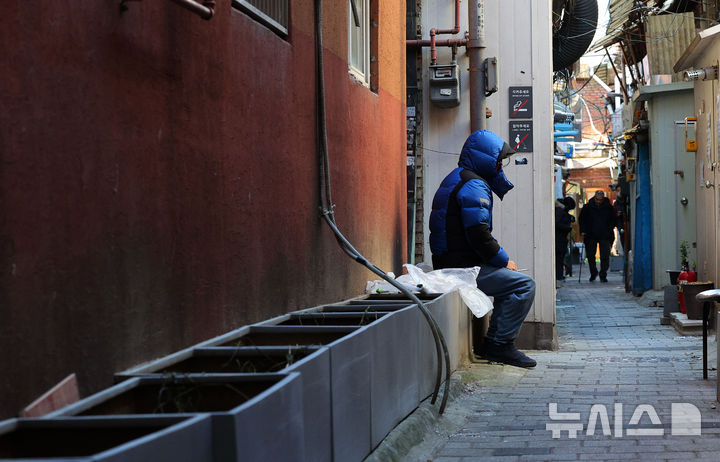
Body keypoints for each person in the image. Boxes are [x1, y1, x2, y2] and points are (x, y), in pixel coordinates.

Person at [429, 130, 536, 368]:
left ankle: (495, 343)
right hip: (463, 268)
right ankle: (499, 345)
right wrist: (503, 260)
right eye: (498, 160)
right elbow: (479, 234)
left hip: (452, 262)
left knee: (509, 283)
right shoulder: (474, 184)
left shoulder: (458, 178)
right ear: (485, 157)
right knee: (523, 285)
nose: (500, 166)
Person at [579, 190, 616, 283]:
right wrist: (583, 231)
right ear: (594, 198)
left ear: (603, 199)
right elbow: (582, 219)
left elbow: (613, 219)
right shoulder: (587, 207)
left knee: (605, 256)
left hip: (605, 235)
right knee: (591, 256)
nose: (598, 201)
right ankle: (593, 273)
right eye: (597, 199)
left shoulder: (608, 207)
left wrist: (610, 228)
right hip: (590, 234)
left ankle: (603, 274)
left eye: (600, 199)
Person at [555, 196, 576, 281]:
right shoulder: (560, 211)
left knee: (560, 258)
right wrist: (568, 228)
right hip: (559, 238)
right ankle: (559, 275)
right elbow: (557, 224)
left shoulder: (560, 210)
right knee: (559, 258)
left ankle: (559, 274)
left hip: (560, 238)